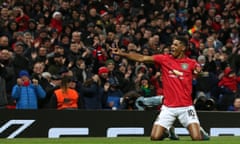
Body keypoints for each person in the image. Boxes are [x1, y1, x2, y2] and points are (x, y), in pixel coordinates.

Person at [111, 36, 209, 141]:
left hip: (186, 107)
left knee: (196, 138)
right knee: (154, 137)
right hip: (168, 108)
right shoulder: (164, 59)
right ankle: (166, 131)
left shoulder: (191, 63)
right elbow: (142, 58)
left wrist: (199, 71)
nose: (172, 46)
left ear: (183, 47)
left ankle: (200, 130)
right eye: (172, 44)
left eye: (176, 45)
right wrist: (122, 54)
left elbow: (199, 70)